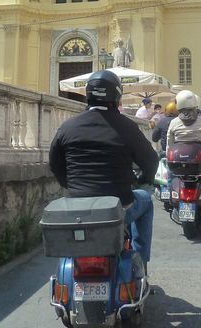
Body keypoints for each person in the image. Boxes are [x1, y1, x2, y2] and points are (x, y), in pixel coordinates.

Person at [49, 70, 159, 265]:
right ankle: (141, 261)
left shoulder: (67, 127)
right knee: (145, 200)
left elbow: (55, 164)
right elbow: (151, 161)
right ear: (117, 97)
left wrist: (73, 185)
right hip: (118, 208)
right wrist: (145, 179)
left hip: (77, 208)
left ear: (88, 95)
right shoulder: (127, 127)